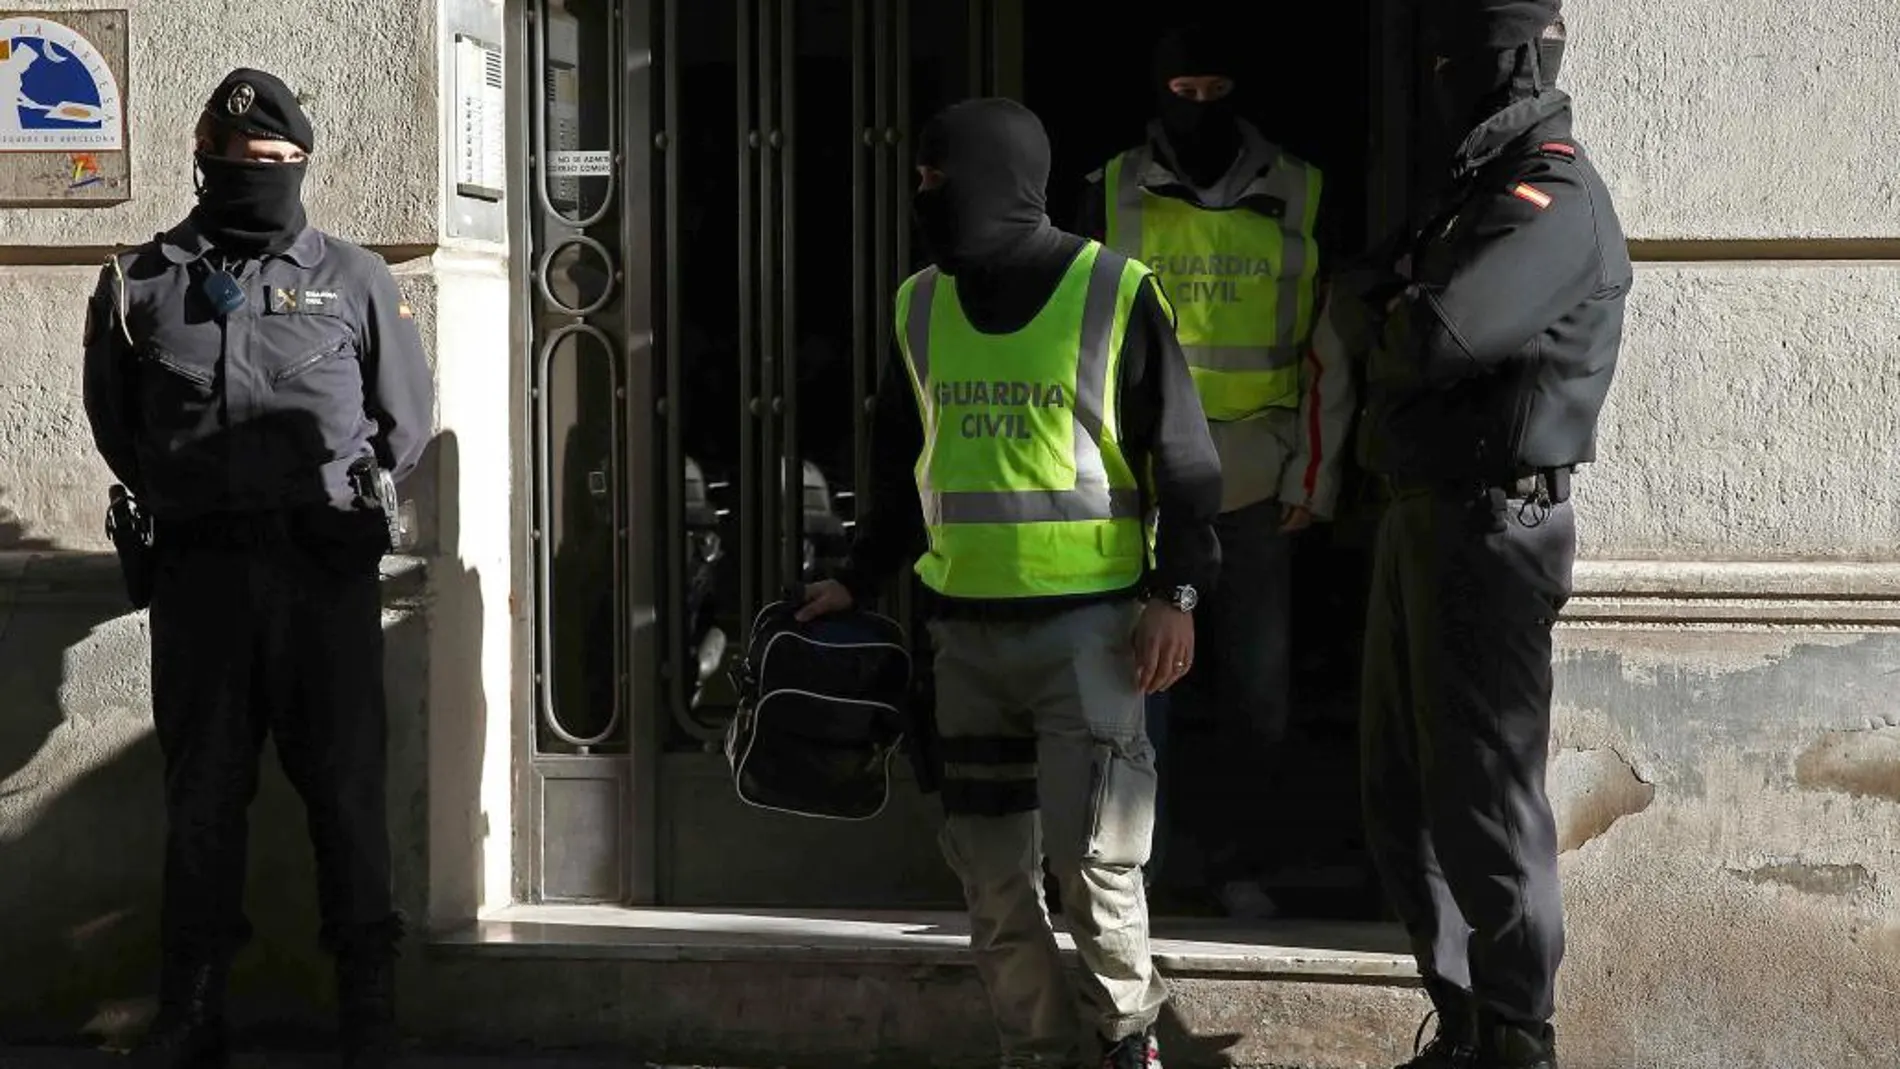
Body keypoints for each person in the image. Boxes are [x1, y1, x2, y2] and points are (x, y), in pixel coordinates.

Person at [799, 97, 1221, 1069]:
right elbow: (904, 466)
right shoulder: (918, 304)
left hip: (1095, 635)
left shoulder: (1114, 291)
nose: (923, 195)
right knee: (990, 876)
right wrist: (856, 579)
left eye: (934, 178)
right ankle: (1032, 1050)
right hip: (965, 643)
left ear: (991, 177)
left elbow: (1186, 465)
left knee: (1094, 863)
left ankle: (1125, 1039)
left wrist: (1178, 594)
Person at [81, 68, 433, 1069]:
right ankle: (192, 1010)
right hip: (201, 582)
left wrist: (335, 497)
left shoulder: (357, 278)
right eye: (239, 164)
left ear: (302, 167)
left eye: (276, 164)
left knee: (346, 795)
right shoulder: (138, 282)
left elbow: (404, 421)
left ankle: (368, 1012)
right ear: (204, 165)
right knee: (202, 800)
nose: (258, 176)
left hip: (322, 576)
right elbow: (118, 424)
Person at [1352, 4, 1629, 1068]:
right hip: (1426, 514)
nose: (1435, 79)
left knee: (1482, 791)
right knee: (1402, 791)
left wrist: (1394, 319)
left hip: (1494, 526)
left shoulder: (1551, 197)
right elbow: (1361, 294)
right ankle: (1463, 1019)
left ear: (1512, 59)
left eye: (1450, 62)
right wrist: (1390, 317)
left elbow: (1432, 330)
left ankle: (1517, 1034)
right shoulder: (1472, 190)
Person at [1078, 23, 1356, 918]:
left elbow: (1329, 350)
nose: (1198, 110)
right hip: (1137, 487)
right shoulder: (1108, 192)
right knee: (1132, 691)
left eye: (1215, 92)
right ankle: (1133, 871)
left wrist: (1315, 479)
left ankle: (1241, 866)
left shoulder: (1302, 193)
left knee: (1255, 700)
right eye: (1182, 92)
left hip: (1253, 490)